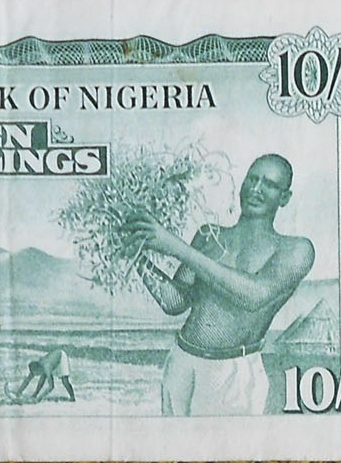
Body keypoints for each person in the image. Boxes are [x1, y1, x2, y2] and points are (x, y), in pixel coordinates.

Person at [121, 154, 315, 416]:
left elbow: (254, 296)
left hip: (233, 374)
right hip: (180, 363)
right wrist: (135, 255)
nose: (256, 189)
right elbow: (174, 302)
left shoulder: (296, 250)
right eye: (252, 179)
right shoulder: (208, 236)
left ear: (285, 198)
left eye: (269, 184)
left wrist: (176, 247)